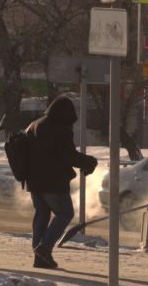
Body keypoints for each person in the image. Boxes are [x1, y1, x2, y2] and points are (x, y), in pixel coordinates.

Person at [24, 96, 97, 269]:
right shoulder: (59, 129)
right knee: (65, 213)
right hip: (53, 181)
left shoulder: (35, 124)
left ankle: (40, 258)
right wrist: (89, 162)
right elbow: (68, 155)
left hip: (34, 181)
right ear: (66, 115)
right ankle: (45, 248)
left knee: (42, 215)